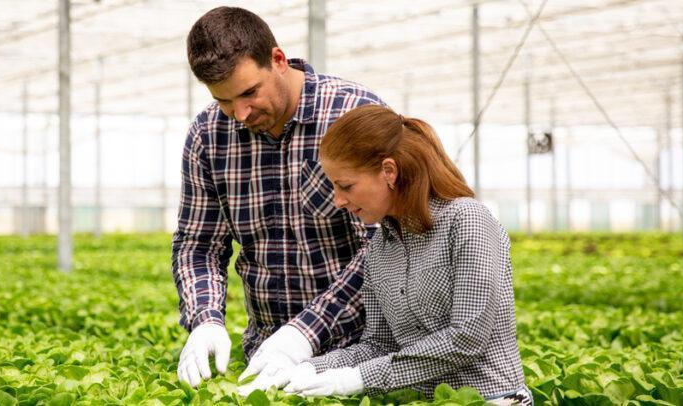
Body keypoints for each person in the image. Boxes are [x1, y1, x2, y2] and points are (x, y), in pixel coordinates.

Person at [171, 6, 387, 393]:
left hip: (363, 356)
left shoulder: (351, 114)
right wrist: (205, 319)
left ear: (278, 60)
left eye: (249, 92)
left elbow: (386, 246)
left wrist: (303, 334)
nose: (240, 113)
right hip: (264, 360)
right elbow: (198, 245)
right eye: (224, 101)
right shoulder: (207, 136)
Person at [280, 105, 532, 405]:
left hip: (493, 398)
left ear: (389, 171)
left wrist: (356, 379)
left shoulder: (467, 220)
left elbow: (466, 338)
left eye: (346, 185)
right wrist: (308, 367)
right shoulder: (379, 248)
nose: (338, 200)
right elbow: (378, 344)